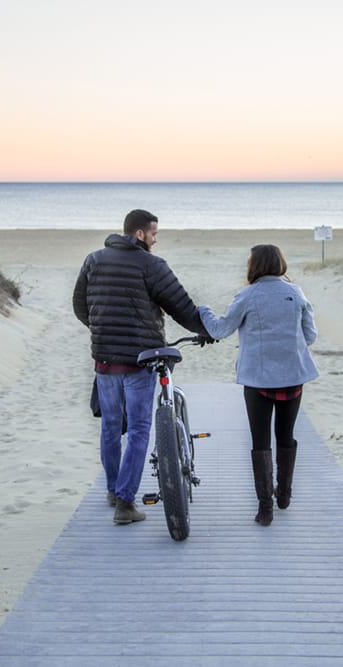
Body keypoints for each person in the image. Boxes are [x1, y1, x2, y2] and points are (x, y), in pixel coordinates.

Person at [73, 209, 210, 524]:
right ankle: (124, 502)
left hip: (104, 359)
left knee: (110, 427)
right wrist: (204, 330)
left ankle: (113, 490)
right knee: (137, 430)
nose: (155, 239)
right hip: (139, 360)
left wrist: (101, 330)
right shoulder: (151, 265)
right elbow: (181, 306)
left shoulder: (94, 260)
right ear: (139, 234)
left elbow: (80, 305)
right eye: (154, 234)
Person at [198, 244, 319, 526]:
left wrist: (203, 310)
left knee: (260, 441)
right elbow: (310, 336)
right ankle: (284, 495)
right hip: (293, 377)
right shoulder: (296, 292)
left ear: (254, 266)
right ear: (280, 264)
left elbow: (220, 330)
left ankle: (266, 508)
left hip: (258, 380)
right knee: (285, 436)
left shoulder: (248, 295)